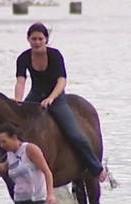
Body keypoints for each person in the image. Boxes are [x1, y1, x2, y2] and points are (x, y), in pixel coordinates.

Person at [14, 22, 107, 182]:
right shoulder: (23, 58)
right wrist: (17, 102)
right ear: (28, 39)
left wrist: (51, 98)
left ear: (46, 39)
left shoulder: (55, 55)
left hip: (56, 97)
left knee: (75, 133)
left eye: (40, 39)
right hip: (35, 96)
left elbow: (62, 80)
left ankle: (96, 168)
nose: (36, 42)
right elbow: (21, 81)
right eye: (33, 39)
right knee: (16, 127)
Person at [0, 123, 57, 204]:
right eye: (0, 143)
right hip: (20, 200)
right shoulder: (10, 153)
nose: (1, 145)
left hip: (37, 199)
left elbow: (47, 172)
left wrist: (51, 195)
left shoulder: (30, 149)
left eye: (4, 142)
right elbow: (6, 166)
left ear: (14, 137)